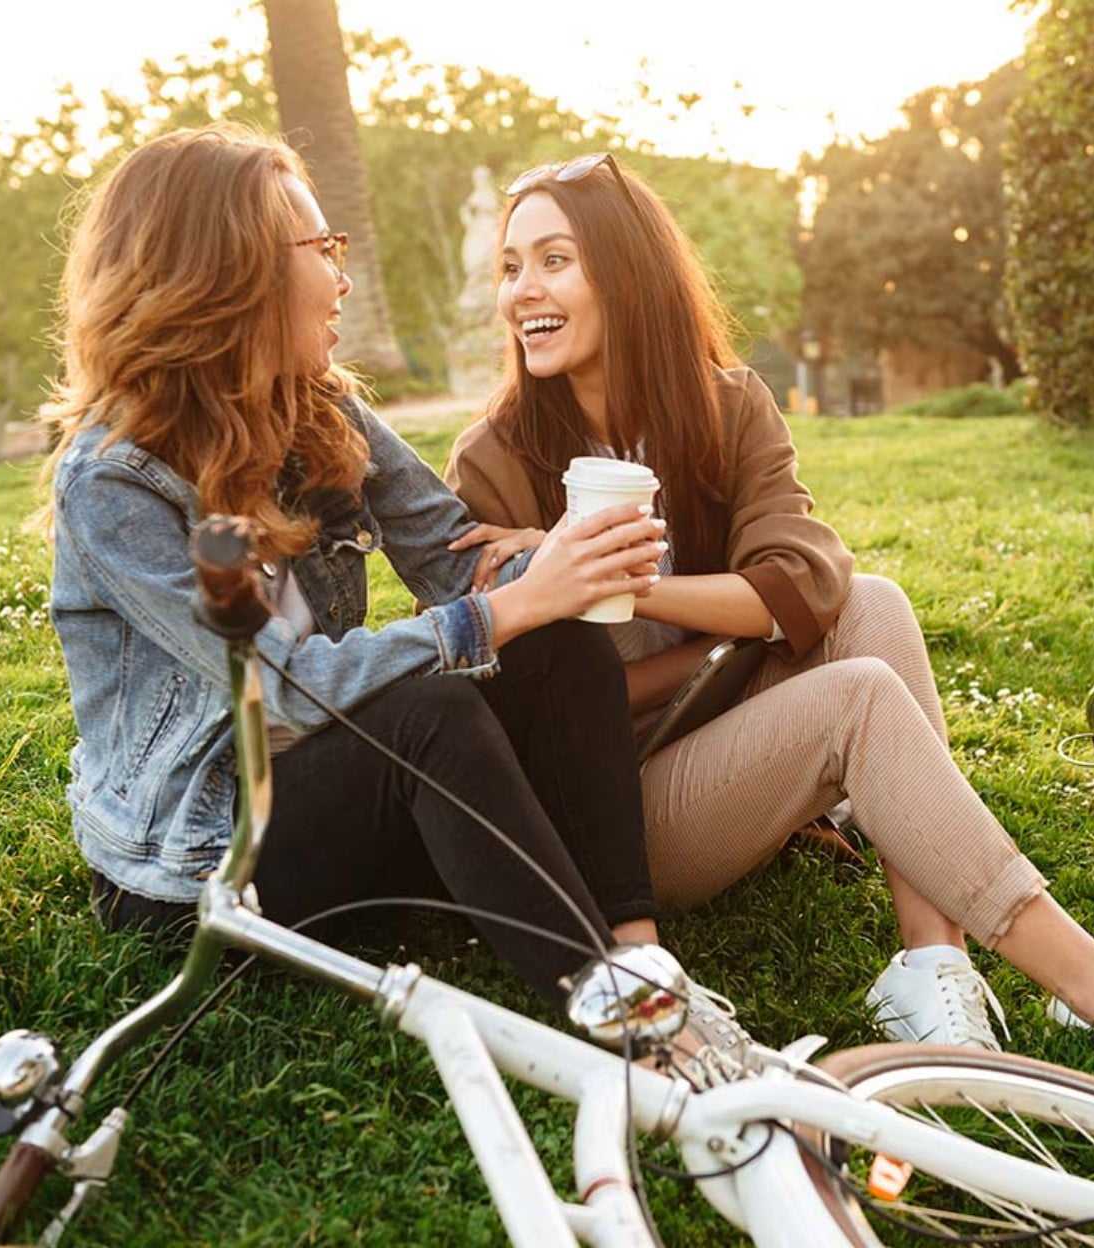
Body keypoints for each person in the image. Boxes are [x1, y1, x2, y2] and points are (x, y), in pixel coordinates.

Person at [38, 124, 748, 1084]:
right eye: (322, 252)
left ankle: (639, 947)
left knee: (562, 644)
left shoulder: (319, 406)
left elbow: (454, 560)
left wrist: (554, 566)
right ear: (231, 271)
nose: (343, 279)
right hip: (206, 856)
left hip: (339, 807)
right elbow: (284, 689)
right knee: (430, 707)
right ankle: (625, 1020)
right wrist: (503, 612)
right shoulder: (116, 481)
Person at [444, 152, 1094, 1052]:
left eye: (554, 260)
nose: (524, 290)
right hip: (614, 815)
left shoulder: (725, 405)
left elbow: (809, 576)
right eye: (511, 267)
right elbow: (517, 707)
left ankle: (930, 966)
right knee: (856, 692)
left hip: (709, 720)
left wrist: (629, 583)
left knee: (874, 604)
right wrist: (729, 640)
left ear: (625, 274)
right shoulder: (495, 460)